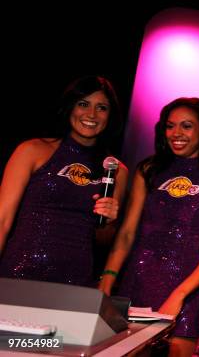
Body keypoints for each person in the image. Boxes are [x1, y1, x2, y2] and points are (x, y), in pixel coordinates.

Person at [98, 97, 199, 357]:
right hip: (137, 283)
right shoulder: (149, 170)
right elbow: (128, 233)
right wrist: (108, 278)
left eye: (186, 126)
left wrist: (180, 295)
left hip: (187, 291)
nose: (177, 133)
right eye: (170, 126)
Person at [0, 75, 127, 286]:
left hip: (74, 279)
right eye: (83, 104)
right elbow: (2, 220)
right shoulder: (32, 151)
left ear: (110, 116)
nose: (91, 114)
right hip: (19, 272)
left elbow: (103, 239)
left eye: (101, 108)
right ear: (71, 106)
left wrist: (110, 221)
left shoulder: (116, 170)